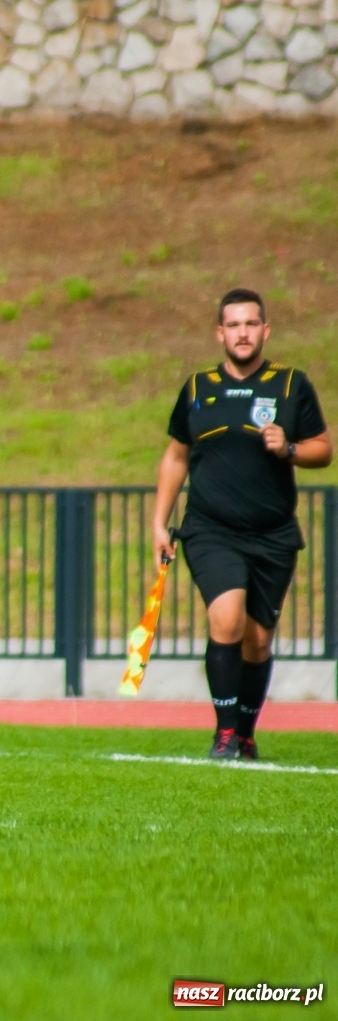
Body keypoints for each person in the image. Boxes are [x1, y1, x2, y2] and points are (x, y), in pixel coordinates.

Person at [153, 288, 329, 760]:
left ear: (265, 331)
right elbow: (175, 456)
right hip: (211, 530)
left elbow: (322, 449)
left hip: (272, 534)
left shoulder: (291, 385)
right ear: (220, 333)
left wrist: (289, 448)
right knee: (226, 617)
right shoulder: (196, 389)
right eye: (233, 325)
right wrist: (158, 522)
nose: (243, 333)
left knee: (257, 639)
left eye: (251, 324)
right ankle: (225, 733)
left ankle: (246, 734)